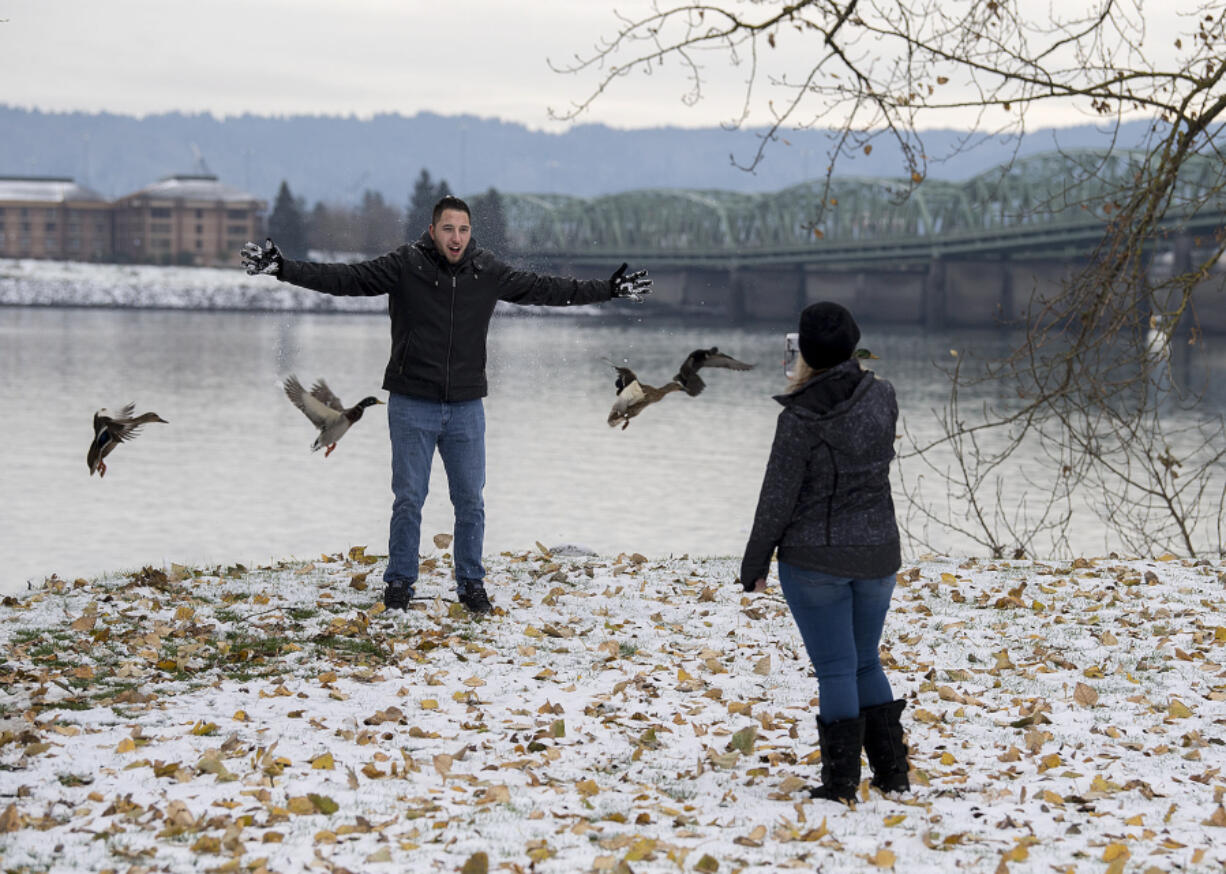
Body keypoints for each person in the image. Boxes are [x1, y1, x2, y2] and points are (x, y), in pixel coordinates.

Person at [241, 195, 652, 614]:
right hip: (411, 403)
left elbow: (546, 288)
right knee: (408, 499)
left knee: (471, 501)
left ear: (470, 233)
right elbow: (347, 278)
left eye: (464, 229)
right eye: (449, 229)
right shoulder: (405, 265)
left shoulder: (487, 271)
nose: (456, 237)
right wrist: (283, 268)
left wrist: (609, 289)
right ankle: (399, 585)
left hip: (465, 407)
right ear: (433, 230)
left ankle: (471, 584)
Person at [739, 301, 909, 803]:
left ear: (804, 353)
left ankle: (840, 785)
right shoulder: (885, 397)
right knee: (865, 663)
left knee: (837, 668)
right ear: (854, 344)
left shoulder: (800, 418)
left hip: (815, 561)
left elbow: (777, 498)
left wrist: (755, 564)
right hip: (878, 553)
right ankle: (892, 773)